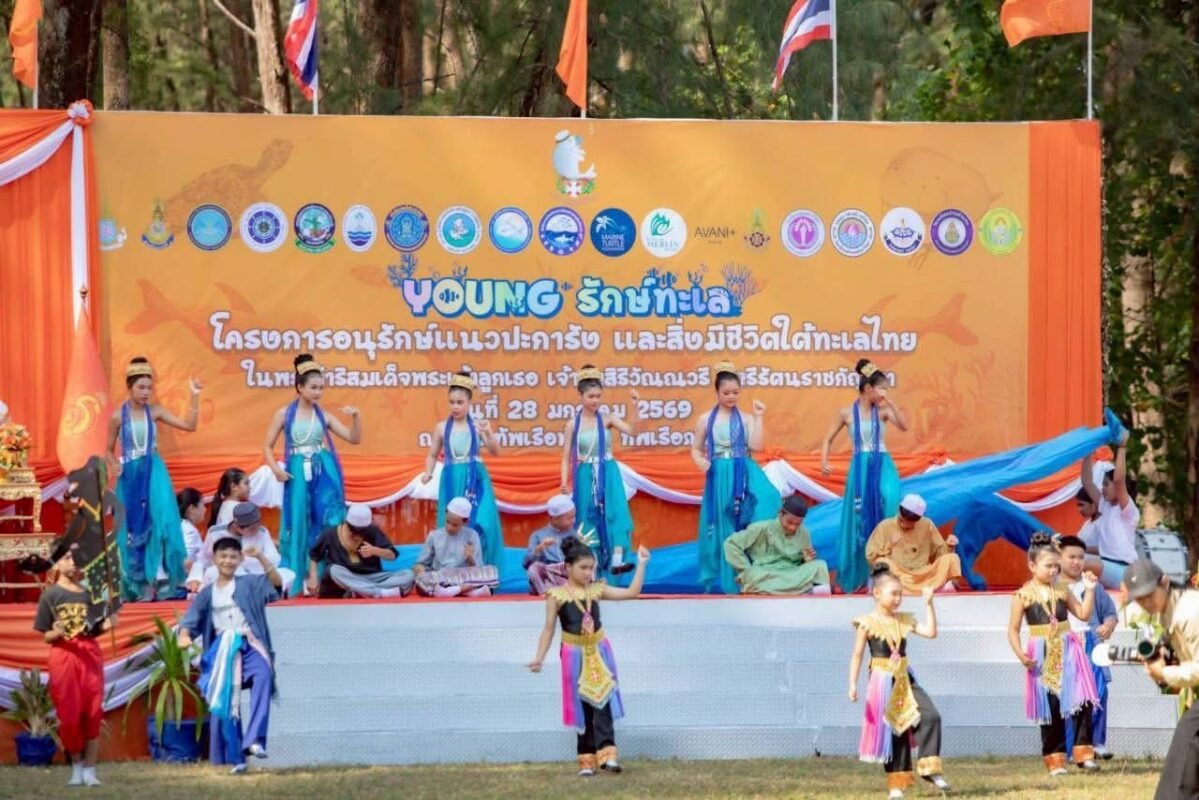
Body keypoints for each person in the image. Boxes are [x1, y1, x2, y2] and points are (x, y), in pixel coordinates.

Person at [528, 537, 650, 777]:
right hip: (573, 653)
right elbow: (548, 629)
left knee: (603, 697)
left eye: (591, 568)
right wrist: (539, 657)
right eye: (583, 567)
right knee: (581, 703)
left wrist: (642, 564)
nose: (588, 572)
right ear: (568, 567)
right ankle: (586, 759)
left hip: (599, 650)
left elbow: (632, 592)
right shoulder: (556, 595)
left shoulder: (596, 590)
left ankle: (608, 754)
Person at [178, 536, 282, 774]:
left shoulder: (249, 583)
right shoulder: (207, 593)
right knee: (226, 700)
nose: (228, 560)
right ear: (214, 559)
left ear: (240, 559)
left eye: (233, 556)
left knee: (264, 676)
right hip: (223, 647)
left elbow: (276, 585)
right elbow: (190, 621)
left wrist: (261, 557)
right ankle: (236, 759)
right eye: (223, 556)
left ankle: (255, 740)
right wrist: (184, 636)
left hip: (250, 643)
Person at [848, 565, 950, 799]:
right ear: (877, 593)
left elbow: (931, 632)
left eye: (900, 594)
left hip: (905, 678)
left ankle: (929, 767)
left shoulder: (904, 620)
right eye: (893, 593)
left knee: (930, 716)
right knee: (895, 730)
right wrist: (852, 683)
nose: (898, 599)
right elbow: (857, 654)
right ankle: (897, 784)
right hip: (882, 681)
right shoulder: (866, 623)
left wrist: (929, 604)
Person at [263, 354, 361, 596]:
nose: (318, 392)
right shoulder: (283, 414)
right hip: (296, 473)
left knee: (328, 521)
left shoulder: (324, 416)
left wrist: (356, 417)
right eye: (314, 387)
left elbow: (354, 438)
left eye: (321, 388)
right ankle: (299, 577)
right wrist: (277, 470)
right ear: (300, 387)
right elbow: (267, 446)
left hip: (322, 473)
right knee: (299, 521)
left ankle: (326, 576)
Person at [106, 356, 203, 600]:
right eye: (141, 387)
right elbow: (107, 450)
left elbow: (189, 426)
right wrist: (113, 464)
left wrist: (194, 395)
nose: (146, 392)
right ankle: (138, 582)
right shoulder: (117, 417)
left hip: (154, 472)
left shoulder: (155, 412)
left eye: (149, 388)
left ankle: (161, 575)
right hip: (130, 475)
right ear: (129, 386)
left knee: (162, 520)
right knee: (132, 526)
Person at [1006, 533, 1101, 775]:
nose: (1053, 571)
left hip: (1068, 648)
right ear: (1032, 565)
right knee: (1051, 706)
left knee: (1082, 700)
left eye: (1055, 566)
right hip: (1041, 652)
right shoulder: (1022, 595)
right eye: (1048, 566)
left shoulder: (1062, 590)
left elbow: (1083, 614)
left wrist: (1090, 591)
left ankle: (1084, 754)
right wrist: (1021, 655)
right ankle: (1055, 760)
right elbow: (1013, 630)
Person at [693, 361, 782, 594]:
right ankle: (731, 582)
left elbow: (756, 446)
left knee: (759, 510)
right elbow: (696, 449)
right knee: (726, 524)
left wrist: (759, 417)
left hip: (744, 472)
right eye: (726, 393)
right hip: (719, 475)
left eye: (735, 392)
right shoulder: (705, 419)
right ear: (717, 392)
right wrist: (699, 460)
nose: (731, 397)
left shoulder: (746, 418)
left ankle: (755, 574)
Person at [821, 359, 908, 593]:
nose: (884, 393)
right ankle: (862, 573)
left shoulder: (884, 411)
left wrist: (890, 401)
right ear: (868, 388)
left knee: (889, 499)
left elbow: (905, 426)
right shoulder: (846, 413)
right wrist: (824, 461)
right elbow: (827, 439)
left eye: (886, 389)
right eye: (882, 389)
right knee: (859, 517)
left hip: (883, 463)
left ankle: (885, 567)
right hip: (860, 466)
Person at [33, 541, 114, 787]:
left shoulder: (89, 593)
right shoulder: (50, 595)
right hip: (64, 656)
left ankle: (90, 770)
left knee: (92, 712)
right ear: (55, 562)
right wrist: (56, 632)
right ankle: (76, 767)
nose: (72, 562)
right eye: (66, 557)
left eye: (76, 557)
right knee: (68, 715)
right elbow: (46, 635)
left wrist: (108, 623)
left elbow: (95, 629)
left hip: (89, 655)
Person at [1121, 558, 1199, 798]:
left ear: (1164, 582)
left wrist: (1164, 672)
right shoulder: (1167, 609)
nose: (1145, 603)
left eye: (1149, 595)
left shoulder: (1190, 611)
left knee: (1186, 751)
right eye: (1139, 599)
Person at [419, 371, 504, 570]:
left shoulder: (477, 426)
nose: (455, 406)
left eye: (460, 402)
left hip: (476, 479)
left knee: (483, 520)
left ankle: (482, 568)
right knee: (453, 522)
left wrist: (488, 432)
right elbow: (432, 454)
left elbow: (496, 451)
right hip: (451, 478)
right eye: (452, 402)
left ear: (469, 402)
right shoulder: (441, 428)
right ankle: (452, 567)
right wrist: (428, 472)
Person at [561, 365, 638, 578]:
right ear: (580, 396)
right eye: (591, 396)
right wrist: (564, 482)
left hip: (608, 471)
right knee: (587, 518)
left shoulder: (607, 419)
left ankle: (617, 561)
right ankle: (591, 570)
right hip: (585, 474)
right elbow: (566, 456)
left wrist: (635, 407)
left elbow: (633, 431)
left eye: (598, 396)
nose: (595, 400)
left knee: (617, 513)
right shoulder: (572, 425)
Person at [1057, 534, 1118, 760]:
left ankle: (1097, 743)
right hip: (1064, 646)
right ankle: (1071, 748)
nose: (1076, 562)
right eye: (1071, 557)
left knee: (1099, 692)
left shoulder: (1092, 585)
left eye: (1080, 557)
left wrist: (1108, 626)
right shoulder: (1052, 587)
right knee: (1070, 697)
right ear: (1058, 557)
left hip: (1091, 643)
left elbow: (1110, 613)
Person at [723, 494, 831, 595]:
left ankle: (808, 597)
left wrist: (806, 560)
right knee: (753, 575)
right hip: (767, 573)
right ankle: (800, 590)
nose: (793, 527)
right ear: (780, 513)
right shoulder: (761, 528)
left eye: (798, 524)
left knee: (820, 566)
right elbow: (731, 544)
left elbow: (802, 564)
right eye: (789, 522)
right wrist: (746, 569)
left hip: (793, 574)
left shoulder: (804, 533)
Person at [306, 503, 413, 598]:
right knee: (333, 570)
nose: (356, 536)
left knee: (408, 575)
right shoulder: (330, 534)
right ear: (347, 524)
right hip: (346, 579)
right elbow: (314, 555)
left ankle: (363, 591)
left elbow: (392, 555)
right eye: (353, 532)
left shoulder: (372, 531)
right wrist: (313, 577)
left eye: (361, 533)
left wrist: (375, 551)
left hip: (372, 577)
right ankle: (377, 592)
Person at [1077, 430, 1139, 590]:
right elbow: (1087, 481)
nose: (1102, 488)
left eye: (1106, 485)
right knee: (1069, 557)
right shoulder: (1105, 505)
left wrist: (1122, 446)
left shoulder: (1127, 510)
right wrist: (1089, 449)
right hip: (1106, 565)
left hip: (1124, 571)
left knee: (1078, 562)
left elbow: (1118, 480)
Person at [186, 502, 293, 593]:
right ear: (237, 527)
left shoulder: (262, 532)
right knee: (212, 572)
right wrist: (195, 578)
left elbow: (275, 559)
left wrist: (257, 556)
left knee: (287, 574)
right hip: (227, 573)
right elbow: (203, 559)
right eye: (252, 529)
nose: (256, 530)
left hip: (255, 575)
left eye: (258, 525)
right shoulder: (215, 533)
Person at [865, 494, 962, 594]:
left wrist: (949, 546)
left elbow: (938, 555)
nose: (905, 524)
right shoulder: (885, 526)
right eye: (902, 520)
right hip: (899, 575)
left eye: (910, 522)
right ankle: (928, 589)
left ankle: (939, 587)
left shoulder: (927, 525)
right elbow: (871, 558)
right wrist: (890, 545)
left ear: (918, 519)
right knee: (882, 563)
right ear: (899, 510)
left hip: (923, 574)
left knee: (952, 558)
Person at [413, 496, 497, 597]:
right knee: (420, 582)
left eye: (455, 525)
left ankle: (452, 591)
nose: (449, 528)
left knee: (491, 572)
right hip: (441, 578)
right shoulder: (434, 536)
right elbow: (420, 564)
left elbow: (478, 569)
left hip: (463, 577)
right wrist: (421, 572)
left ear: (465, 522)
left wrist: (470, 558)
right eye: (447, 522)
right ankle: (467, 592)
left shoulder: (472, 535)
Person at [524, 494, 578, 595]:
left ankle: (565, 588)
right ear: (555, 519)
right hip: (548, 577)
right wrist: (539, 549)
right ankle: (548, 592)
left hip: (569, 574)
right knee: (534, 568)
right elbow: (526, 564)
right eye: (569, 518)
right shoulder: (538, 535)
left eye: (574, 517)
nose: (573, 521)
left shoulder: (575, 535)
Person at [177, 487, 206, 574]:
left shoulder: (179, 525)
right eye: (202, 505)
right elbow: (185, 560)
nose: (205, 509)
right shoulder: (190, 531)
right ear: (192, 508)